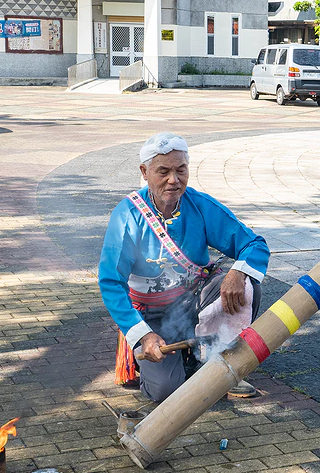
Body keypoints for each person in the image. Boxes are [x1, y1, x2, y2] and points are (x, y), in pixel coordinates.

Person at [99, 132, 270, 402]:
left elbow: (253, 244)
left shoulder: (199, 204)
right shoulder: (127, 215)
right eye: (163, 171)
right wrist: (143, 335)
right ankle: (175, 361)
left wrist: (237, 272)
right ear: (144, 172)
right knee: (166, 391)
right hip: (153, 317)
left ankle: (220, 363)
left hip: (195, 303)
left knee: (247, 286)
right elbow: (111, 283)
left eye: (181, 170)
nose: (173, 180)